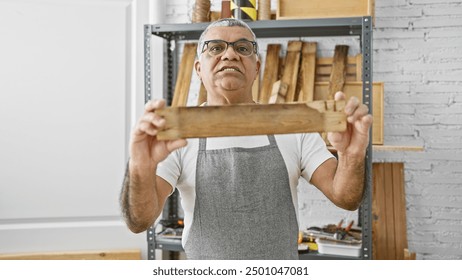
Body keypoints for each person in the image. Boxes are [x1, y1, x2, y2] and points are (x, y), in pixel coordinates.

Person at [120, 18, 373, 260]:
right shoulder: (176, 135)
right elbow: (140, 221)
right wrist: (140, 167)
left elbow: (346, 198)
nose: (230, 55)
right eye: (215, 48)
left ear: (257, 68)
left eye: (243, 48)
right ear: (198, 68)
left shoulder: (294, 127)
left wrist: (352, 155)